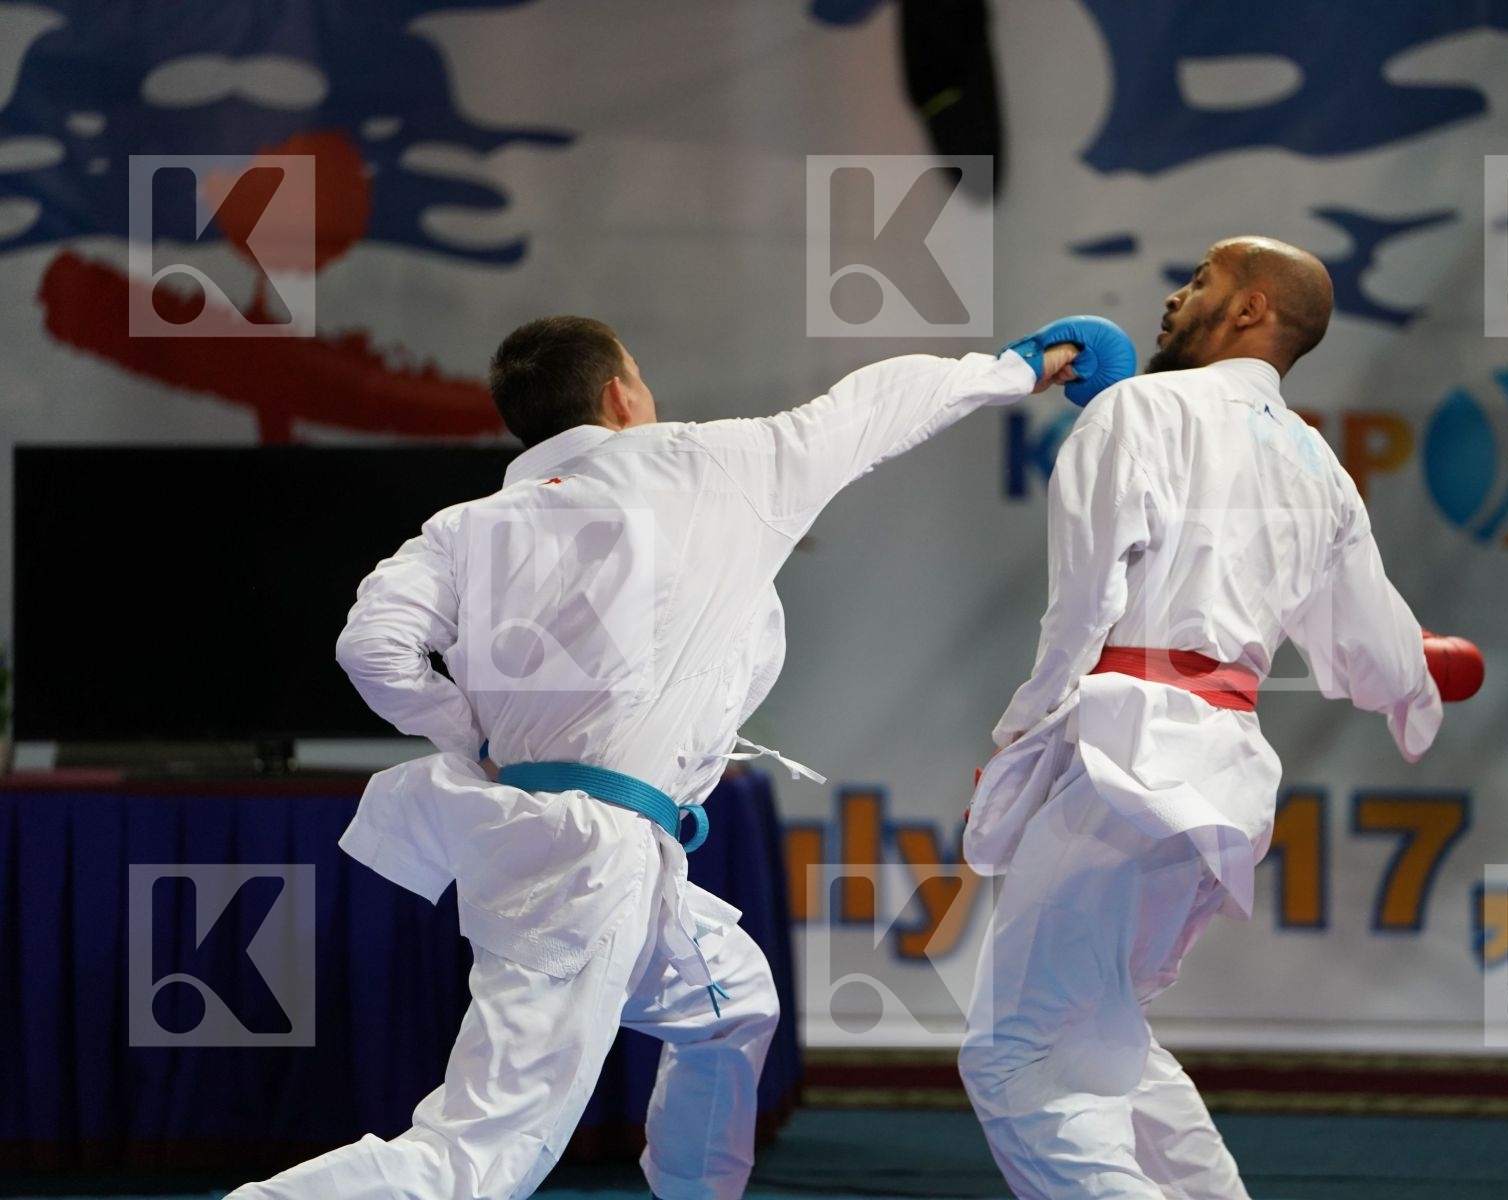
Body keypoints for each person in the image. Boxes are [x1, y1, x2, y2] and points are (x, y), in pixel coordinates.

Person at [227, 314, 1111, 1200]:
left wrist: (479, 741)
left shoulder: (464, 526)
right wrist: (1015, 368)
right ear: (620, 394)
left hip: (562, 843)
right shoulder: (711, 464)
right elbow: (877, 405)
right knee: (481, 1154)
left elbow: (371, 648)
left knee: (733, 1007)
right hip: (588, 861)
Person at [960, 237, 1470, 1199]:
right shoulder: (1319, 466)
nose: (1173, 297)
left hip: (1123, 757)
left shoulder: (1138, 409)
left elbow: (1081, 608)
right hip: (1222, 776)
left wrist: (1018, 741)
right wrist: (1425, 672)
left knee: (1017, 1063)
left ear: (1252, 309)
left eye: (1201, 282)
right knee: (1105, 1032)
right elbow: (1375, 658)